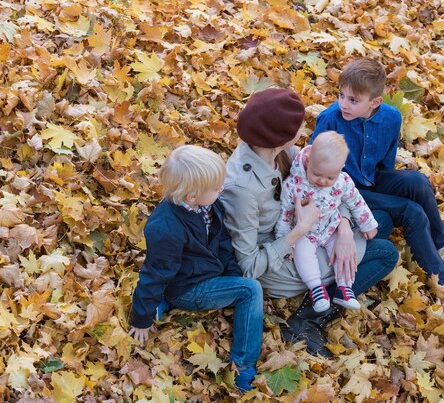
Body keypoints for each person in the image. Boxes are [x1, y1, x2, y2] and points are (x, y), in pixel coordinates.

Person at [220, 88, 399, 357]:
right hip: (282, 258)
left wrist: (344, 227)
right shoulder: (243, 189)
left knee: (381, 222)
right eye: (298, 127)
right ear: (279, 135)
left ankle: (333, 278)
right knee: (386, 253)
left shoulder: (284, 152)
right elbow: (248, 268)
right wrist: (300, 231)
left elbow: (325, 191)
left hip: (310, 228)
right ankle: (307, 320)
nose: (303, 131)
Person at [311, 58, 444, 309]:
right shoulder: (331, 119)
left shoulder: (391, 118)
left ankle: (442, 247)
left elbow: (386, 163)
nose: (343, 104)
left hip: (373, 178)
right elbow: (314, 168)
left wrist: (390, 190)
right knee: (410, 210)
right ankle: (443, 280)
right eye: (341, 95)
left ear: (375, 103)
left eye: (353, 100)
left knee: (417, 181)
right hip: (345, 190)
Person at [129, 145, 263, 392]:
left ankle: (165, 301)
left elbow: (222, 240)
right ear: (191, 195)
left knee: (243, 282)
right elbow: (155, 272)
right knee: (251, 290)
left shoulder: (208, 205)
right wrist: (141, 317)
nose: (221, 189)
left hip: (203, 271)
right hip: (188, 288)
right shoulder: (166, 227)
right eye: (216, 187)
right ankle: (243, 365)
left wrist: (232, 274)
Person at [276, 131, 378, 312]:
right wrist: (286, 242)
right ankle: (316, 288)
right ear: (307, 160)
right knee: (303, 254)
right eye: (317, 174)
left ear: (341, 168)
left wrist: (367, 223)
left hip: (330, 226)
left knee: (341, 253)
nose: (322, 181)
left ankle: (344, 288)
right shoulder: (293, 185)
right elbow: (284, 215)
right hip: (304, 232)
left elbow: (355, 201)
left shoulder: (342, 181)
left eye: (330, 177)